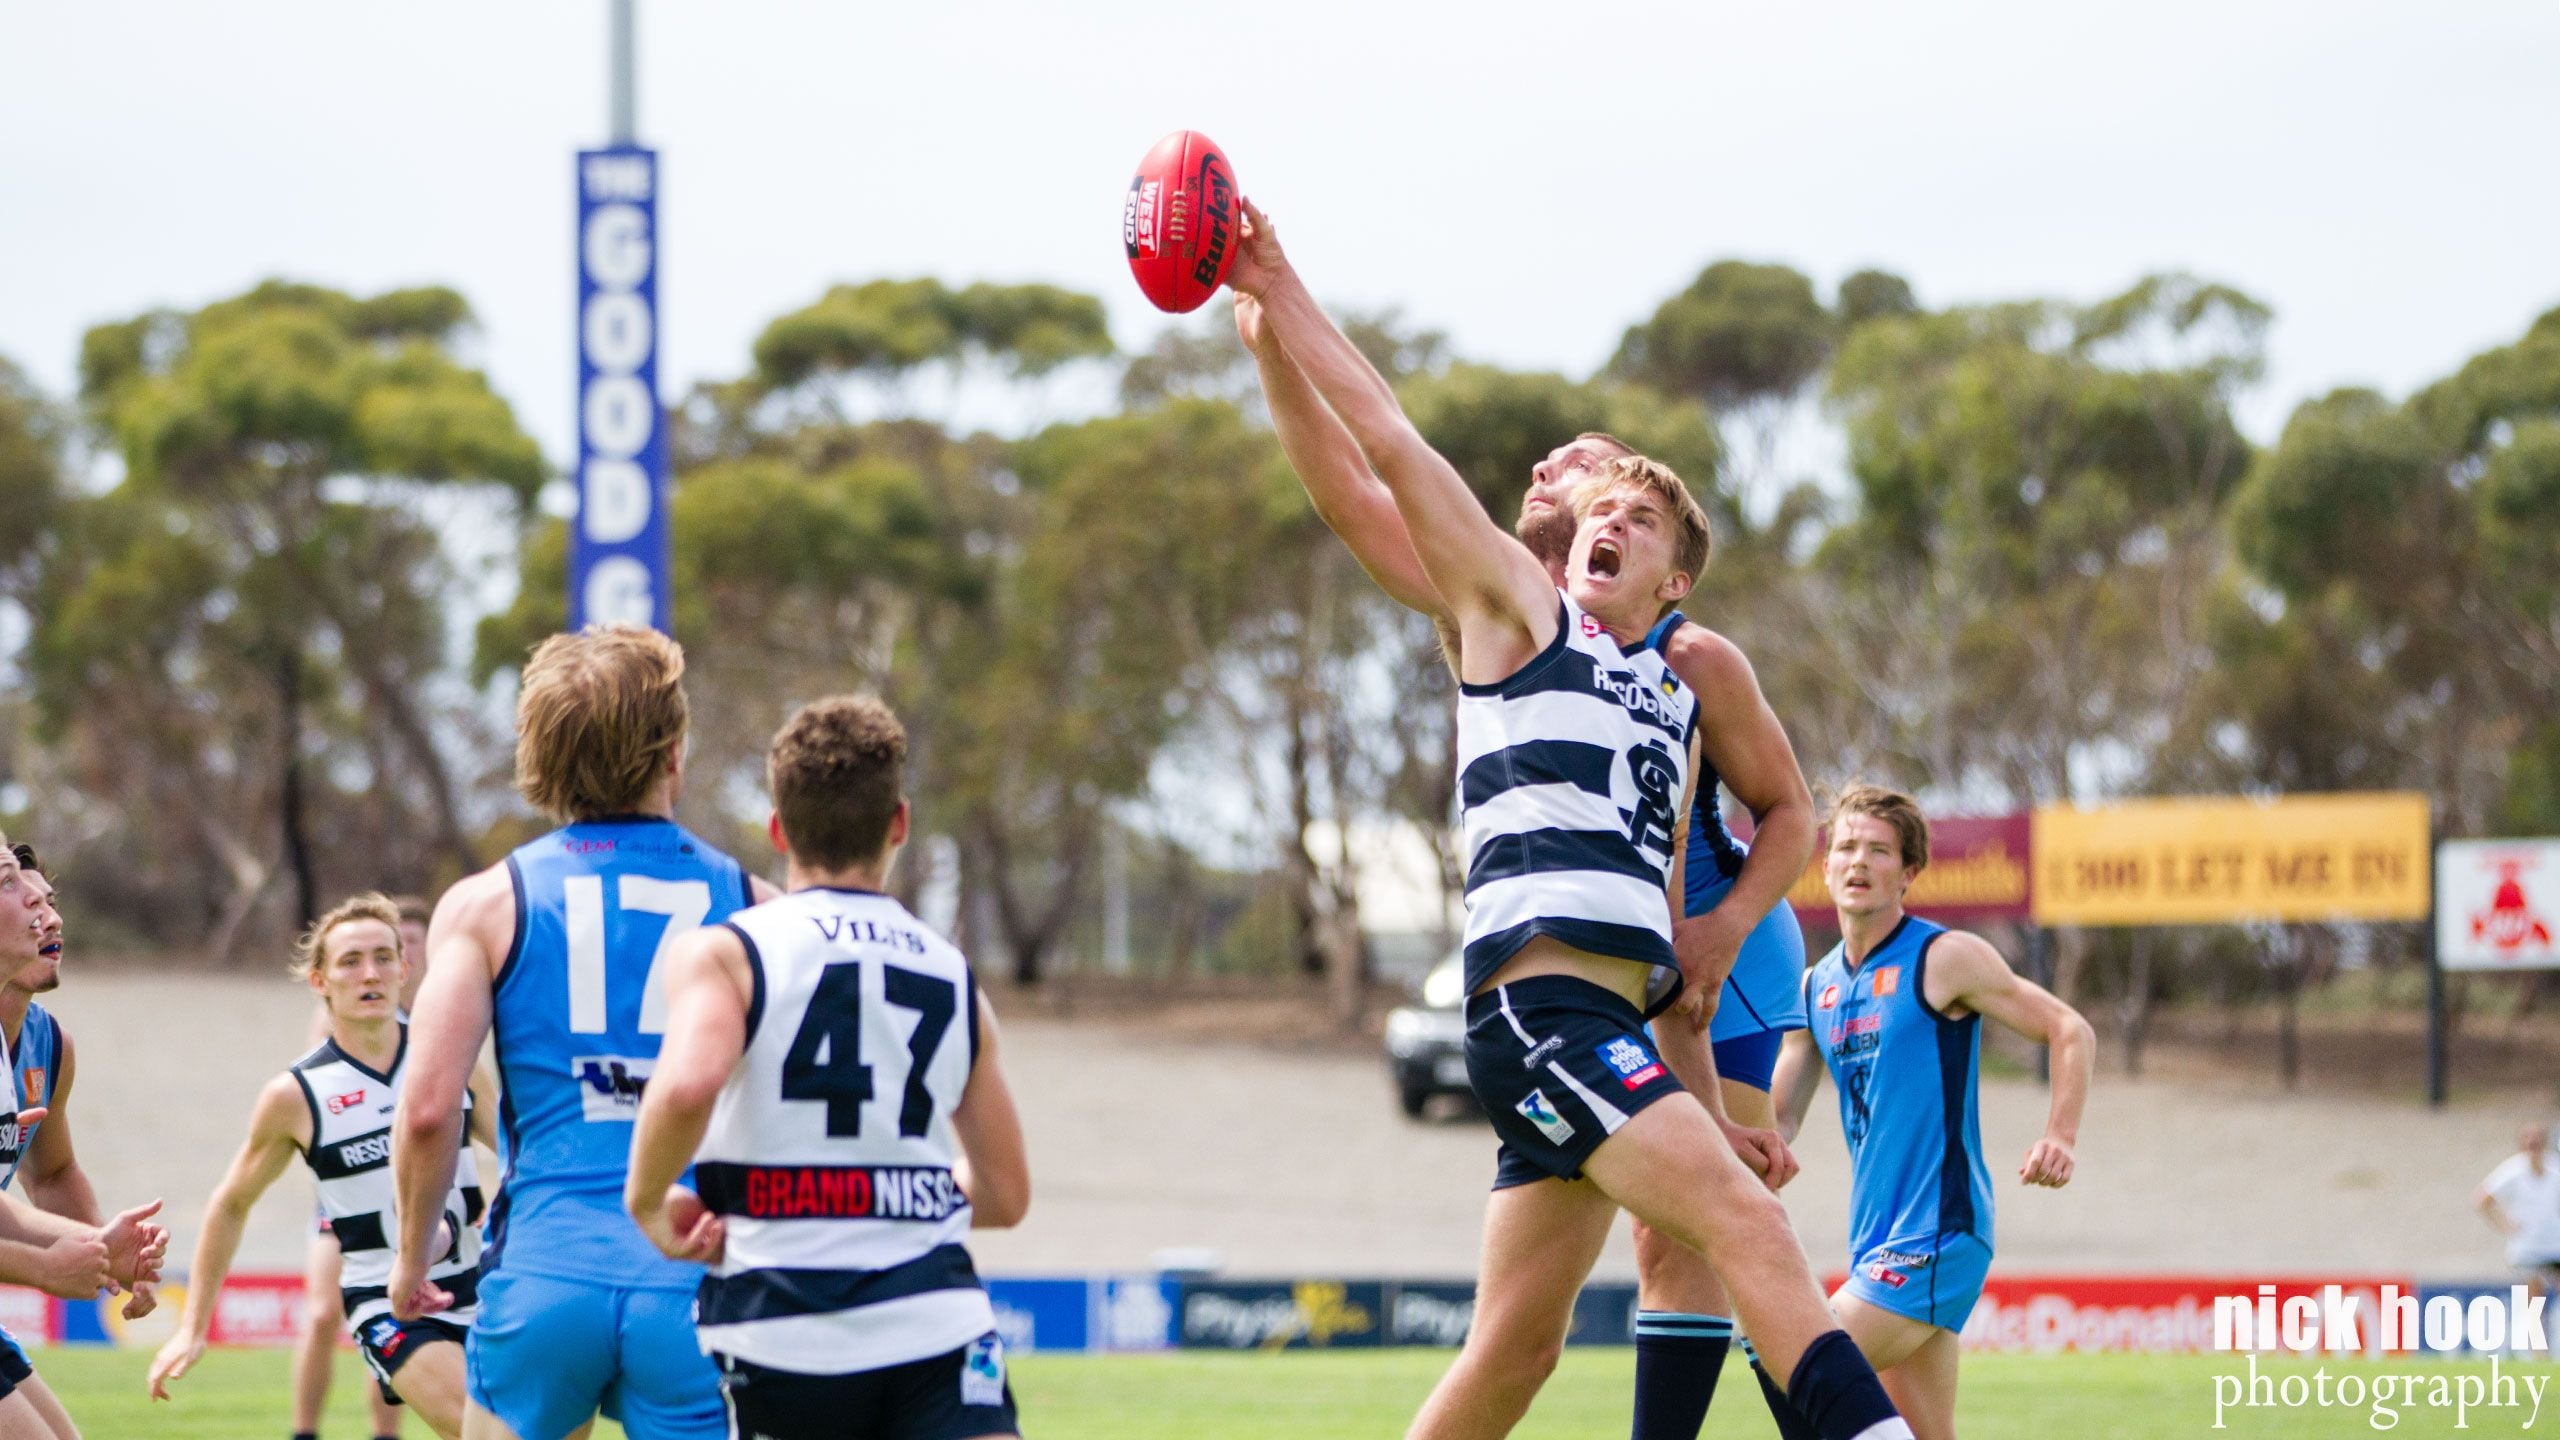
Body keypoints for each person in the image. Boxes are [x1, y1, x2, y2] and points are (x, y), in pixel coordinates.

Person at [1228, 202, 1910, 1440]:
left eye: (1629, 506)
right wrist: (1276, 303)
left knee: (1515, 1354)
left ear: (1676, 573)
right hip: (1540, 1016)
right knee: (1745, 1228)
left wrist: (1708, 1096)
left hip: (1617, 1010)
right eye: (1589, 499)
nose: (1592, 504)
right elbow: (1371, 453)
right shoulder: (1509, 611)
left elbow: (1673, 960)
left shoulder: (1672, 687)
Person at [393, 624, 771, 1440]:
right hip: (694, 1277)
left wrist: (411, 1263)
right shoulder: (762, 909)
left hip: (544, 1271)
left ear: (539, 756)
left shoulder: (486, 904)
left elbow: (428, 1110)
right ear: (673, 753)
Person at [627, 695, 1031, 1440]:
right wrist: (894, 1195)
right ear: (899, 825)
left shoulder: (728, 953)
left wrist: (648, 1201)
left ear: (778, 830)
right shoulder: (953, 977)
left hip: (779, 1325)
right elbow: (1005, 1195)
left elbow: (686, 1084)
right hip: (934, 1321)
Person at [1771, 786, 2095, 1440]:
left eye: (1879, 850)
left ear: (1909, 873)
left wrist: (2060, 1134)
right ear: (1825, 866)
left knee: (1807, 1377)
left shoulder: (1944, 958)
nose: (1859, 861)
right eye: (1846, 847)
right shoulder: (1814, 988)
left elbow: (2070, 1029)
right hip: (1874, 1243)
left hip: (1940, 1234)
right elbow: (1778, 1123)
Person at [148, 894, 492, 1439]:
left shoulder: (454, 1058)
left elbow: (522, 1150)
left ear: (405, 968)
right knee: (489, 1432)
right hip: (386, 1304)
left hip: (485, 1289)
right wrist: (193, 1327)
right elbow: (230, 1204)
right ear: (319, 981)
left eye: (383, 957)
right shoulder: (296, 1095)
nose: (370, 973)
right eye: (350, 961)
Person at [0, 842, 163, 1440]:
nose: (48, 912)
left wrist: (101, 1248)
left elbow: (52, 1172)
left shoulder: (48, 1045)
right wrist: (44, 1266)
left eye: (44, 893)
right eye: (10, 883)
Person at [291, 893, 431, 1440]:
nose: (371, 970)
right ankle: (303, 1432)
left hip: (419, 1202)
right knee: (325, 1313)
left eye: (409, 945)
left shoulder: (446, 1016)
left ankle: (385, 1434)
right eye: (355, 959)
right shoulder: (344, 1015)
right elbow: (319, 1088)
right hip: (347, 1195)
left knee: (404, 1315)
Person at [2475, 1122, 2560, 1337]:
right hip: (2527, 1247)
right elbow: (2482, 1199)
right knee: (2535, 1299)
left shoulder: (2555, 1169)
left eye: (2538, 1143)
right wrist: (2505, 1225)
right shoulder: (2512, 1171)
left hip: (2554, 1244)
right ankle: (2538, 1354)